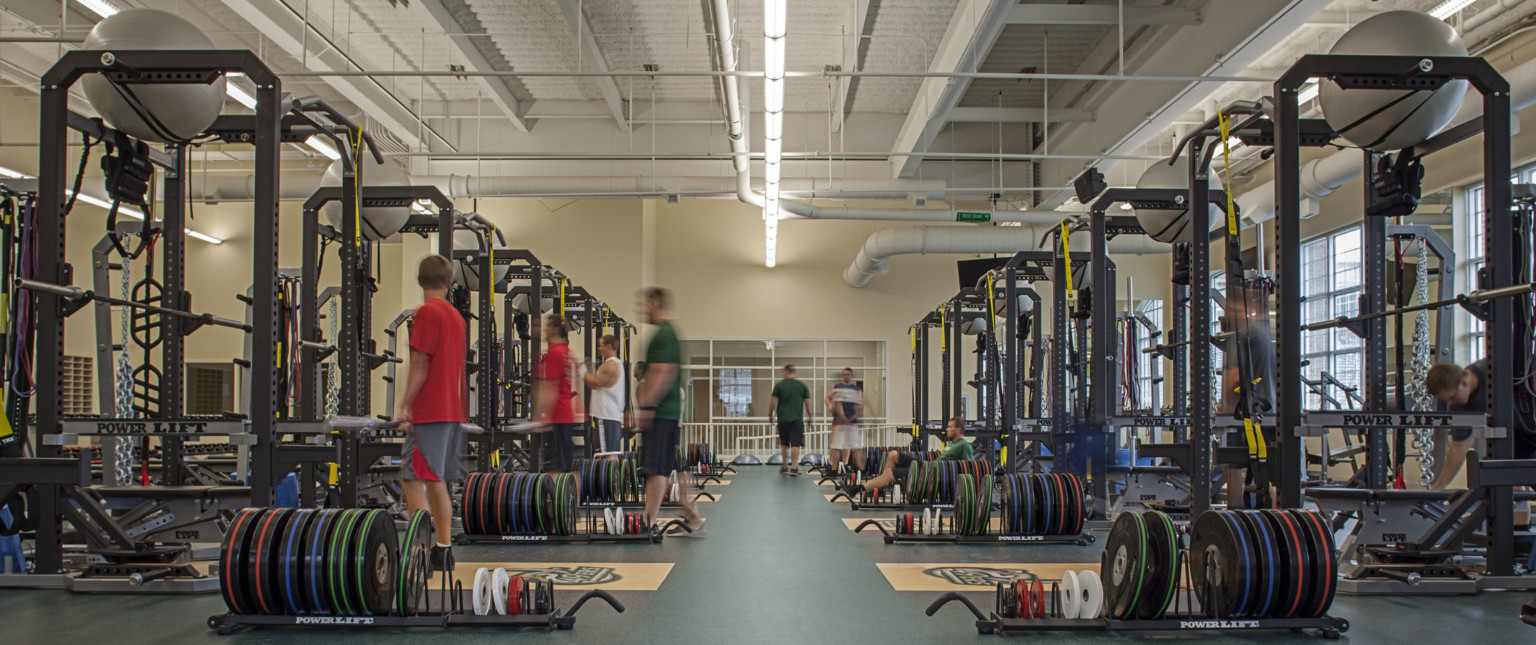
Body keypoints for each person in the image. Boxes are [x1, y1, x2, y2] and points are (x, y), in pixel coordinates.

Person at [393, 255, 468, 571]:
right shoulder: (457, 318)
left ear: (420, 280)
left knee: (412, 478)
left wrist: (405, 405)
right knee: (436, 481)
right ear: (449, 283)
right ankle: (442, 550)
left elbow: (420, 364)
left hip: (429, 412)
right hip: (452, 411)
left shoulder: (427, 313)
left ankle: (419, 551)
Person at [634, 288, 704, 537]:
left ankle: (648, 523)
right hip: (668, 413)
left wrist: (648, 406)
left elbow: (663, 372)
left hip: (661, 413)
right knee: (666, 468)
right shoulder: (669, 333)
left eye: (643, 304)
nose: (640, 309)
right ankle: (690, 512)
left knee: (656, 470)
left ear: (655, 303)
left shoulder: (663, 334)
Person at [1219, 291, 1276, 508]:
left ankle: (1233, 519)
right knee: (1269, 470)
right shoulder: (1263, 333)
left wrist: (1222, 409)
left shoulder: (1241, 334)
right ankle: (1276, 521)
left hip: (1249, 412)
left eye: (1229, 310)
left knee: (1234, 465)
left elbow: (1234, 377)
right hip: (1269, 409)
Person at [843, 417, 972, 498]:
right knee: (893, 455)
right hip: (927, 467)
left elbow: (968, 469)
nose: (947, 429)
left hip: (931, 475)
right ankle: (879, 488)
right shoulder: (953, 444)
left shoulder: (964, 445)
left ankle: (858, 488)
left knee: (889, 473)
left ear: (958, 429)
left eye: (950, 427)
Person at [535, 314, 585, 473]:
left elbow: (551, 388)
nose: (545, 330)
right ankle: (572, 498)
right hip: (565, 415)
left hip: (557, 416)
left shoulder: (555, 353)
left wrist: (541, 417)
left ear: (555, 329)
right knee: (565, 466)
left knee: (554, 468)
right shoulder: (567, 351)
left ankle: (556, 497)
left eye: (548, 326)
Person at [583, 334, 625, 457]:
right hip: (611, 416)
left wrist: (582, 371)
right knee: (611, 454)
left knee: (607, 455)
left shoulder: (610, 365)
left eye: (600, 346)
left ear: (608, 346)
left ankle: (608, 477)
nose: (598, 349)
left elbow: (595, 383)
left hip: (605, 415)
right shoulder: (616, 364)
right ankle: (614, 477)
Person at [768, 364, 812, 476]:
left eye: (783, 372)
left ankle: (784, 467)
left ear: (787, 371)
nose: (782, 374)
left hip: (783, 419)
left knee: (784, 443)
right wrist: (810, 417)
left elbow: (773, 402)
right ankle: (793, 468)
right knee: (795, 444)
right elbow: (808, 403)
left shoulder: (779, 386)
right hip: (797, 419)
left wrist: (770, 415)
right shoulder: (801, 385)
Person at [825, 368, 865, 474]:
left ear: (851, 375)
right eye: (844, 374)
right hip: (839, 422)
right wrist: (829, 405)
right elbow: (827, 398)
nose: (846, 376)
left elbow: (861, 403)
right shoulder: (837, 387)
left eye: (848, 374)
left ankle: (852, 467)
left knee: (852, 446)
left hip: (852, 422)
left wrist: (856, 410)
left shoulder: (856, 390)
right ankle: (833, 469)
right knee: (836, 446)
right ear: (843, 375)